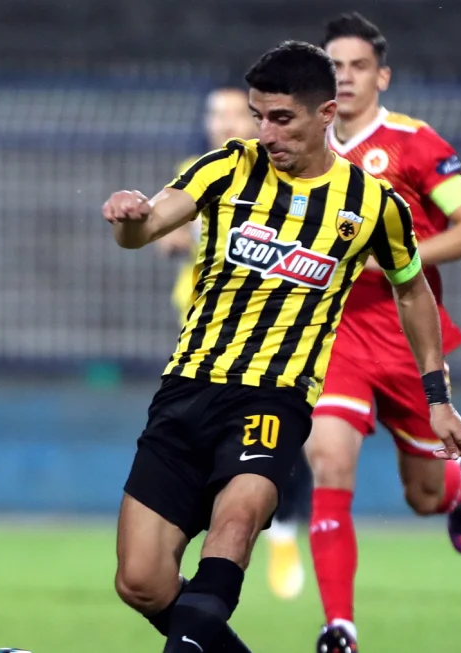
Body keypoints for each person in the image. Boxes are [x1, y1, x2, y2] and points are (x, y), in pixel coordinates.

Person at [102, 41, 461, 653]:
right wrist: (130, 219)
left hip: (274, 400)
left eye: (282, 118)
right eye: (259, 116)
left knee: (236, 524)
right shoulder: (227, 167)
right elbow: (147, 227)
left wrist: (437, 398)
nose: (266, 132)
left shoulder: (372, 204)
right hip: (187, 389)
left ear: (326, 113)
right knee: (141, 581)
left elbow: (412, 290)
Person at [302, 13, 461, 646]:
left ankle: (455, 490)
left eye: (358, 66)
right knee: (329, 463)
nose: (345, 77)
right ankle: (339, 626)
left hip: (410, 341)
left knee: (422, 496)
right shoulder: (301, 148)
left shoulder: (415, 143)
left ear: (381, 76)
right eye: (334, 66)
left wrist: (392, 258)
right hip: (334, 338)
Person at [155, 85, 310, 602]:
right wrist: (166, 236)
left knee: (279, 437)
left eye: (232, 114)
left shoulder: (283, 177)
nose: (223, 124)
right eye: (214, 114)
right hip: (200, 327)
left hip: (269, 332)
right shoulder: (194, 171)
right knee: (201, 437)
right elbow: (164, 230)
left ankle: (281, 530)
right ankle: (208, 541)